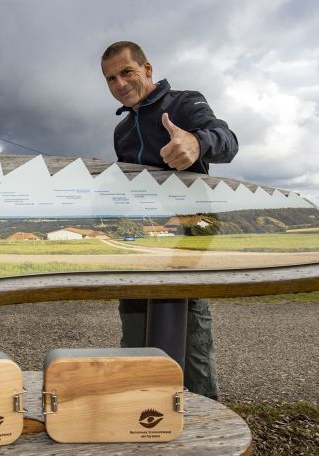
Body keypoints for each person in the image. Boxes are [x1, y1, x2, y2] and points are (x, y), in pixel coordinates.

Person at [100, 40, 238, 399]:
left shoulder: (185, 103)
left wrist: (196, 141)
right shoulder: (122, 131)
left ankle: (204, 419)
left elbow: (228, 141)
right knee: (134, 330)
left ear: (147, 69)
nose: (119, 84)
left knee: (189, 330)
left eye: (126, 72)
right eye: (111, 79)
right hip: (140, 241)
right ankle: (141, 410)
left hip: (188, 234)